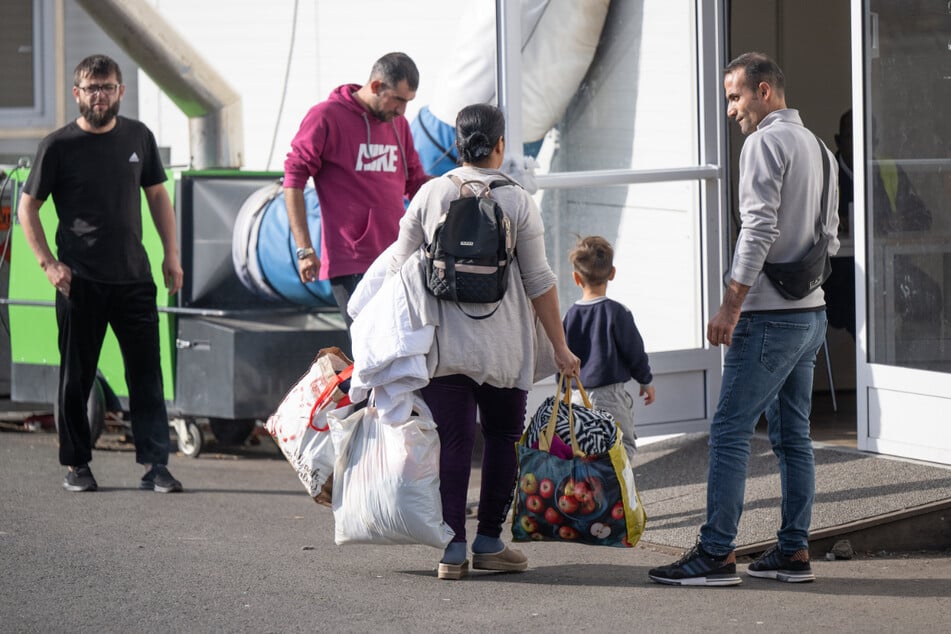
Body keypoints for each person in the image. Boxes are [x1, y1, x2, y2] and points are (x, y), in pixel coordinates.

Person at [649, 52, 837, 586]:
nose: (732, 110)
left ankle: (715, 555)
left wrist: (731, 305)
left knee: (730, 430)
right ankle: (793, 551)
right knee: (794, 438)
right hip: (811, 315)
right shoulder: (821, 149)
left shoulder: (764, 143)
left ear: (765, 92)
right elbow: (832, 234)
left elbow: (756, 230)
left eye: (736, 96)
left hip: (768, 319)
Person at [385, 103, 580, 580]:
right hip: (504, 347)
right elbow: (539, 279)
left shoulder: (431, 193)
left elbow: (397, 266)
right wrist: (560, 347)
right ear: (500, 146)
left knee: (453, 443)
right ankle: (490, 541)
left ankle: (451, 549)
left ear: (456, 143)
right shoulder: (516, 201)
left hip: (444, 346)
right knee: (502, 439)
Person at [17, 54, 184, 493]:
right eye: (92, 88)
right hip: (80, 282)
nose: (100, 95)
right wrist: (48, 264)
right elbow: (26, 209)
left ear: (120, 91)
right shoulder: (58, 146)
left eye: (108, 87)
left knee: (147, 378)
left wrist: (172, 256)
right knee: (76, 378)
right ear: (77, 93)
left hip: (134, 279)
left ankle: (156, 465)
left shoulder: (139, 137)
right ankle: (76, 464)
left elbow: (158, 198)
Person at [283, 52, 430, 328]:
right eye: (398, 100)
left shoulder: (399, 124)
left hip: (398, 257)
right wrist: (304, 249)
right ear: (376, 86)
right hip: (352, 262)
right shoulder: (326, 116)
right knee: (369, 352)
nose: (402, 111)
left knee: (403, 351)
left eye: (408, 102)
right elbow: (293, 179)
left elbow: (416, 184)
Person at [562, 235, 655, 461]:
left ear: (576, 278)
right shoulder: (617, 312)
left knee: (583, 449)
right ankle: (616, 492)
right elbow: (635, 351)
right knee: (622, 447)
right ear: (612, 273)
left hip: (576, 394)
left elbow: (562, 356)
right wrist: (645, 380)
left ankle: (590, 493)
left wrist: (564, 387)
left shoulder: (569, 316)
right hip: (610, 395)